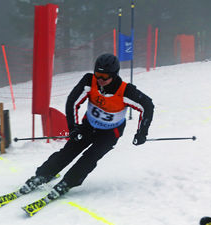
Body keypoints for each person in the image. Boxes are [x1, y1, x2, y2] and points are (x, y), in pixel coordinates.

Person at [18, 53, 154, 202]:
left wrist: (142, 133)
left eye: (105, 76)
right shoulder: (90, 81)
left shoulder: (126, 91)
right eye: (98, 74)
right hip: (89, 126)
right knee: (69, 150)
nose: (100, 80)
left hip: (110, 132)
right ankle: (43, 174)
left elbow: (147, 106)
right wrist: (73, 127)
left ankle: (69, 182)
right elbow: (72, 102)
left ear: (114, 75)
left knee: (90, 158)